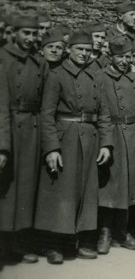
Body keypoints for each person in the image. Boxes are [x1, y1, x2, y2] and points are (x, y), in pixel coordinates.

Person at [34, 30, 112, 264]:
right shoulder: (57, 75)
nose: (84, 54)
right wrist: (52, 148)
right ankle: (55, 244)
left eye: (88, 50)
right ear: (69, 50)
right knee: (62, 191)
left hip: (91, 137)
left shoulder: (97, 76)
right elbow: (47, 115)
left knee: (87, 191)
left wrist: (106, 143)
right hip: (65, 137)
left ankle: (81, 240)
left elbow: (104, 113)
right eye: (79, 49)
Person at [97, 37, 135, 254]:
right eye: (119, 56)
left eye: (127, 56)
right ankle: (105, 234)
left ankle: (122, 232)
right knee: (110, 186)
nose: (124, 61)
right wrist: (105, 141)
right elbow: (100, 110)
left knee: (129, 187)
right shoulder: (101, 77)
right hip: (111, 135)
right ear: (111, 57)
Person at [0, 15, 49, 264]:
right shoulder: (2, 58)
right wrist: (3, 145)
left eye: (33, 33)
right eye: (25, 33)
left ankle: (20, 241)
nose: (30, 38)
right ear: (13, 33)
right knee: (7, 190)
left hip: (32, 130)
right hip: (9, 128)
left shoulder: (39, 62)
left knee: (27, 189)